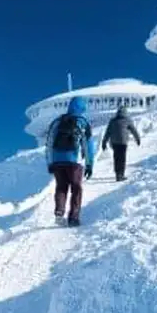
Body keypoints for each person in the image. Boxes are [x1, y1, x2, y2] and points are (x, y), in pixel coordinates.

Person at [45, 96, 95, 227]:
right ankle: (73, 218)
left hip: (57, 161)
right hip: (74, 161)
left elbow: (49, 143)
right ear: (82, 107)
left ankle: (59, 213)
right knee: (76, 189)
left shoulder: (57, 122)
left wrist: (50, 163)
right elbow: (89, 145)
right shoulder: (82, 122)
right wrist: (90, 164)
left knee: (61, 187)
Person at [101, 105, 141, 182]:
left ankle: (117, 174)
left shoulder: (112, 120)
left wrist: (104, 142)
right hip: (123, 142)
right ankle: (121, 174)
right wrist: (138, 139)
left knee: (116, 158)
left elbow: (107, 132)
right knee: (122, 158)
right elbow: (134, 130)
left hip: (114, 142)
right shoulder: (128, 120)